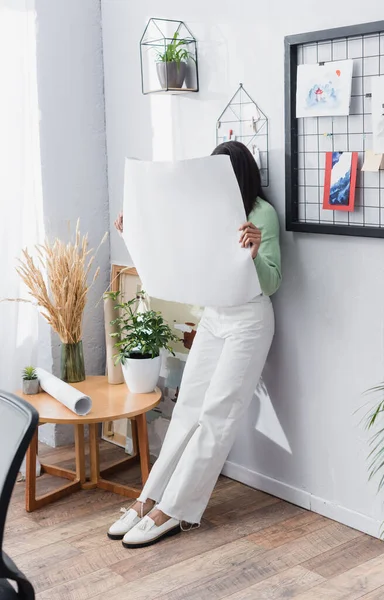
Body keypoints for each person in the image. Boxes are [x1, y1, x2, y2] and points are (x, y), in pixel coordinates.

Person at [109, 141, 281, 548]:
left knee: (217, 416)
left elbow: (272, 281)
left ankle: (175, 510)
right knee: (188, 408)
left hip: (249, 321)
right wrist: (133, 231)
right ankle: (149, 497)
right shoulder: (207, 211)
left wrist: (255, 251)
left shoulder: (261, 215)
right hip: (215, 316)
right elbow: (177, 252)